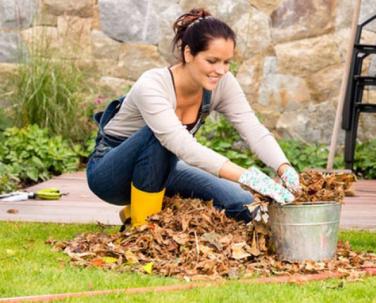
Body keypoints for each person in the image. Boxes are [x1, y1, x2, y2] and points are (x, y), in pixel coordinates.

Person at [86, 8, 301, 227]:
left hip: (165, 169)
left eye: (227, 62)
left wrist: (284, 168)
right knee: (159, 138)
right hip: (111, 174)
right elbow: (182, 145)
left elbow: (252, 128)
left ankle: (143, 210)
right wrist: (250, 178)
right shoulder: (152, 85)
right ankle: (142, 229)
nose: (221, 70)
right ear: (189, 54)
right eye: (212, 61)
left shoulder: (222, 83)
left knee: (243, 204)